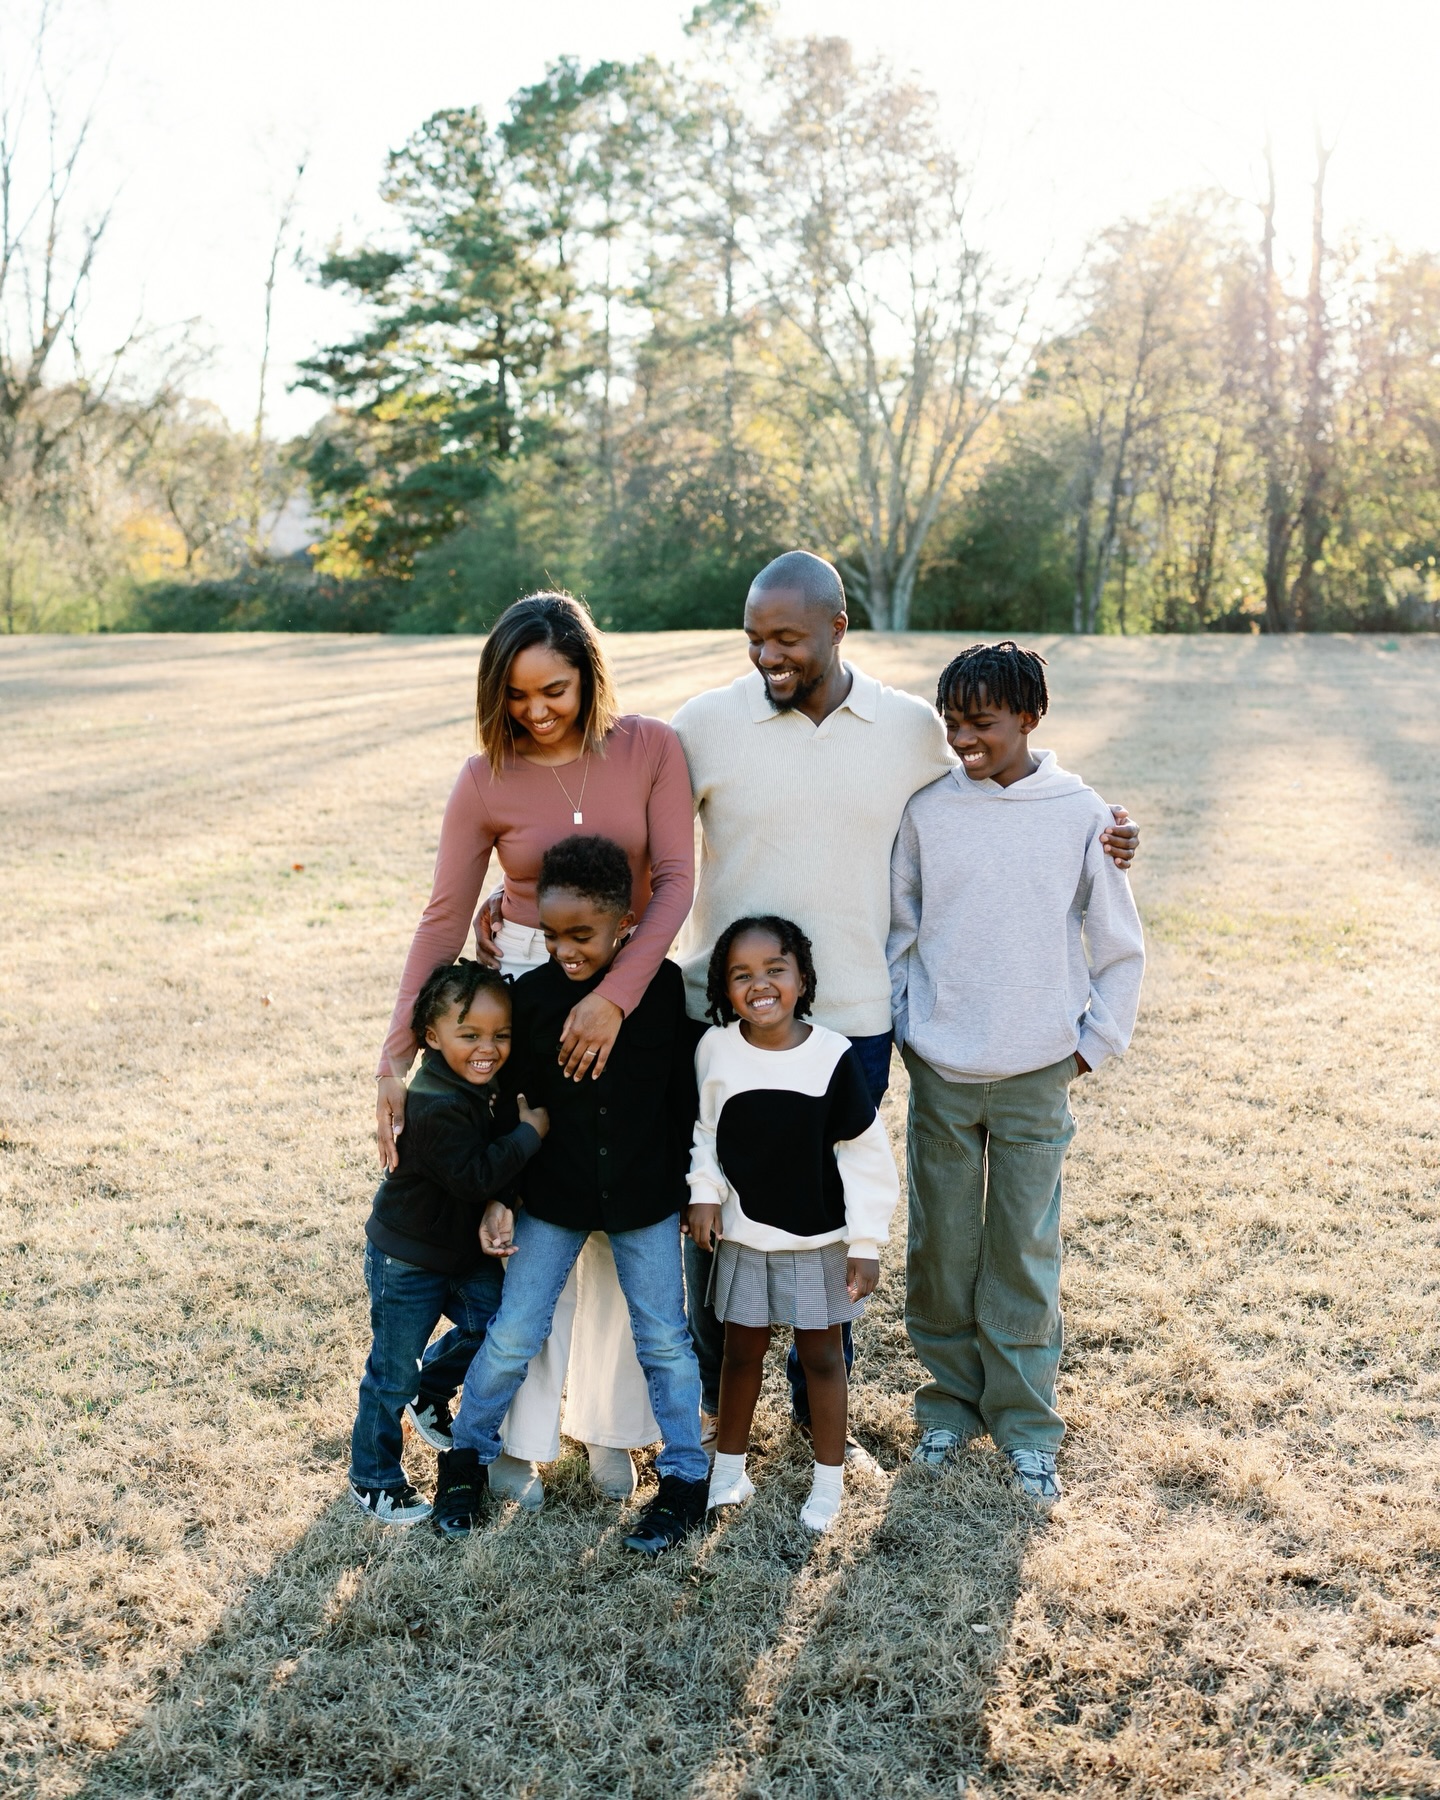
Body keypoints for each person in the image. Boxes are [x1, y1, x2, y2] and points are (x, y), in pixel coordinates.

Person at [669, 550, 1141, 1454]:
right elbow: (634, 825)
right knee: (720, 1205)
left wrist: (1107, 824)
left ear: (838, 629)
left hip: (853, 1020)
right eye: (754, 639)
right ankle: (706, 1393)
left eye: (787, 638)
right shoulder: (703, 723)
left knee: (824, 1207)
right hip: (727, 1016)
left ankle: (822, 1398)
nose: (767, 656)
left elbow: (1011, 764)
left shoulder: (911, 728)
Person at [374, 592, 694, 1509]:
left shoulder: (651, 747)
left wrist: (618, 997)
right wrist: (393, 1057)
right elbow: (444, 916)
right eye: (516, 697)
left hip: (629, 976)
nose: (537, 711)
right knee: (534, 1225)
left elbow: (674, 879)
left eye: (553, 689)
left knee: (624, 1226)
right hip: (523, 989)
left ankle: (615, 1435)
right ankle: (515, 1441)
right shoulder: (485, 777)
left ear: (589, 673)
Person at [887, 641, 1145, 1505]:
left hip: (1039, 1068)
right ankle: (950, 1407)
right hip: (943, 1069)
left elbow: (1118, 943)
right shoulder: (928, 811)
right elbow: (900, 925)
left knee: (1023, 1250)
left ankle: (1028, 1425)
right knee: (942, 1247)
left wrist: (1092, 1044)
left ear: (1030, 717)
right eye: (953, 722)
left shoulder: (1081, 814)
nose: (964, 738)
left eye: (983, 723)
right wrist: (905, 1029)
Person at [432, 837, 709, 1553]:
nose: (563, 949)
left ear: (625, 925)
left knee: (665, 1341)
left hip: (645, 1198)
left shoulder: (664, 987)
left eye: (581, 935)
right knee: (517, 1331)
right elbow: (511, 1106)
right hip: (551, 1198)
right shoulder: (530, 998)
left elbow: (683, 1098)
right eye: (552, 935)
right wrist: (502, 1194)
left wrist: (688, 1187)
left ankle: (684, 1478)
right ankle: (466, 1457)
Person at [685, 917, 898, 1533]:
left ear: (803, 979)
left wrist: (865, 1244)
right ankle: (728, 1471)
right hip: (745, 1239)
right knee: (738, 1353)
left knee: (823, 1357)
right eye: (741, 975)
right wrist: (703, 1194)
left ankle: (828, 1482)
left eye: (775, 970)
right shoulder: (714, 1050)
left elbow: (864, 1154)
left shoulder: (832, 1055)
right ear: (724, 989)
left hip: (818, 1242)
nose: (760, 985)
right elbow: (704, 1132)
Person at [349, 959, 548, 1525]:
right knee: (392, 1372)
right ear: (432, 1038)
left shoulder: (484, 1084)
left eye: (500, 1035)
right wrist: (531, 1134)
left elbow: (492, 1175)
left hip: (461, 1252)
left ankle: (430, 1387)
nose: (488, 1047)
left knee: (494, 1326)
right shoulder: (434, 1101)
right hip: (407, 1258)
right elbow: (475, 1175)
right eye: (470, 1035)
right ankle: (374, 1478)